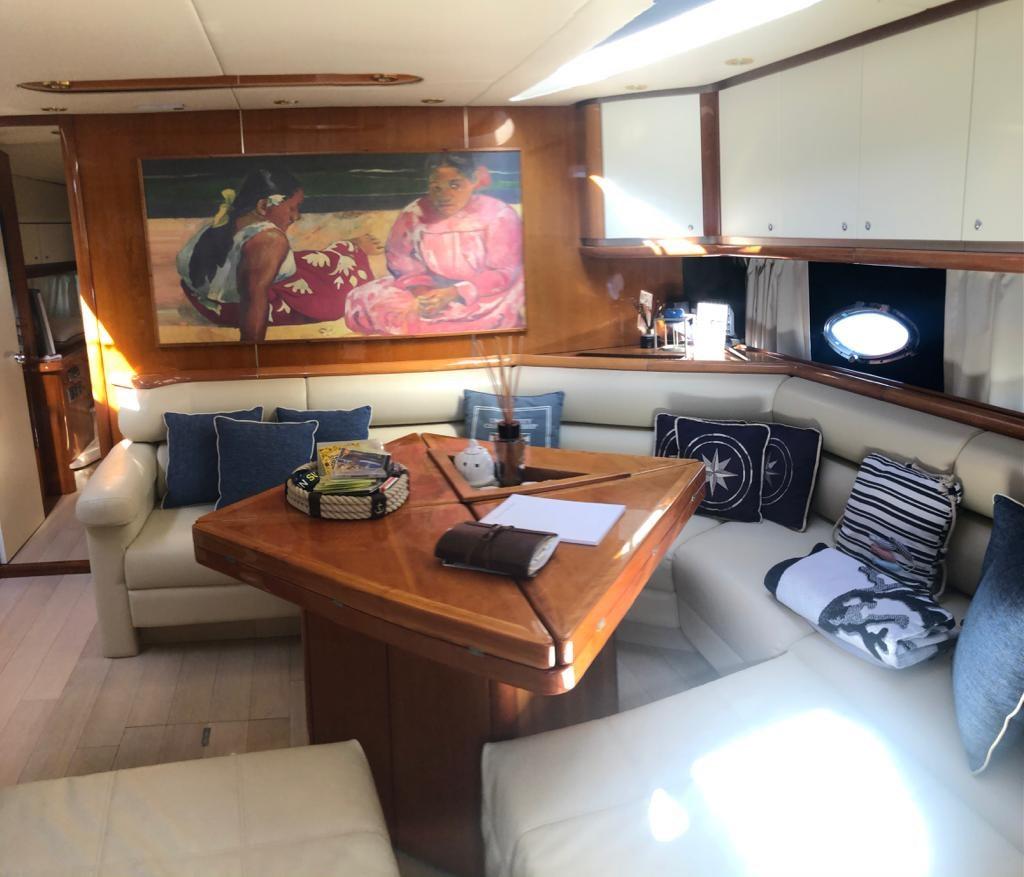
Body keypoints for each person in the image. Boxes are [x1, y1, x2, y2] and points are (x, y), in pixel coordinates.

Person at [177, 168, 381, 342]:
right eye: (292, 208)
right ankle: (350, 247)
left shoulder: (221, 224)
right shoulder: (270, 239)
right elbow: (253, 299)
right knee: (336, 283)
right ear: (263, 206)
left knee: (302, 262)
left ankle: (346, 248)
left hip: (206, 303)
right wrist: (253, 351)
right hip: (236, 310)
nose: (296, 216)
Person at [344, 153, 524, 336]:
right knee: (365, 299)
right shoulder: (414, 213)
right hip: (432, 285)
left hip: (484, 291)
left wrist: (454, 292)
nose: (444, 196)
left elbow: (504, 271)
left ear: (473, 181)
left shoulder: (498, 214)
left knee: (488, 315)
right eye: (436, 188)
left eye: (455, 185)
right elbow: (400, 258)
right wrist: (422, 292)